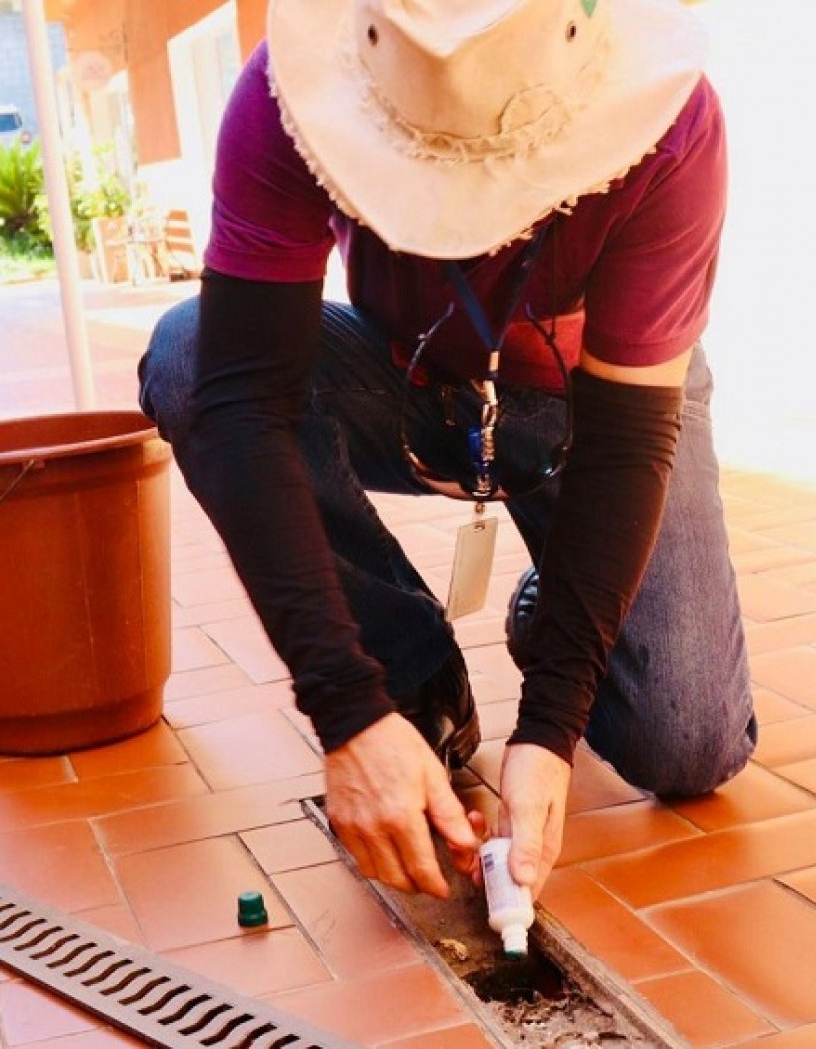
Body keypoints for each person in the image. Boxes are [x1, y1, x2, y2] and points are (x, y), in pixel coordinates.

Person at [138, 0, 756, 900]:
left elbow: (628, 441)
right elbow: (242, 404)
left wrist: (549, 727)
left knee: (687, 742)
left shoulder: (675, 125)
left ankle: (555, 608)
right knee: (192, 353)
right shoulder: (282, 99)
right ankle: (412, 673)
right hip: (409, 381)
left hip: (593, 409)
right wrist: (348, 709)